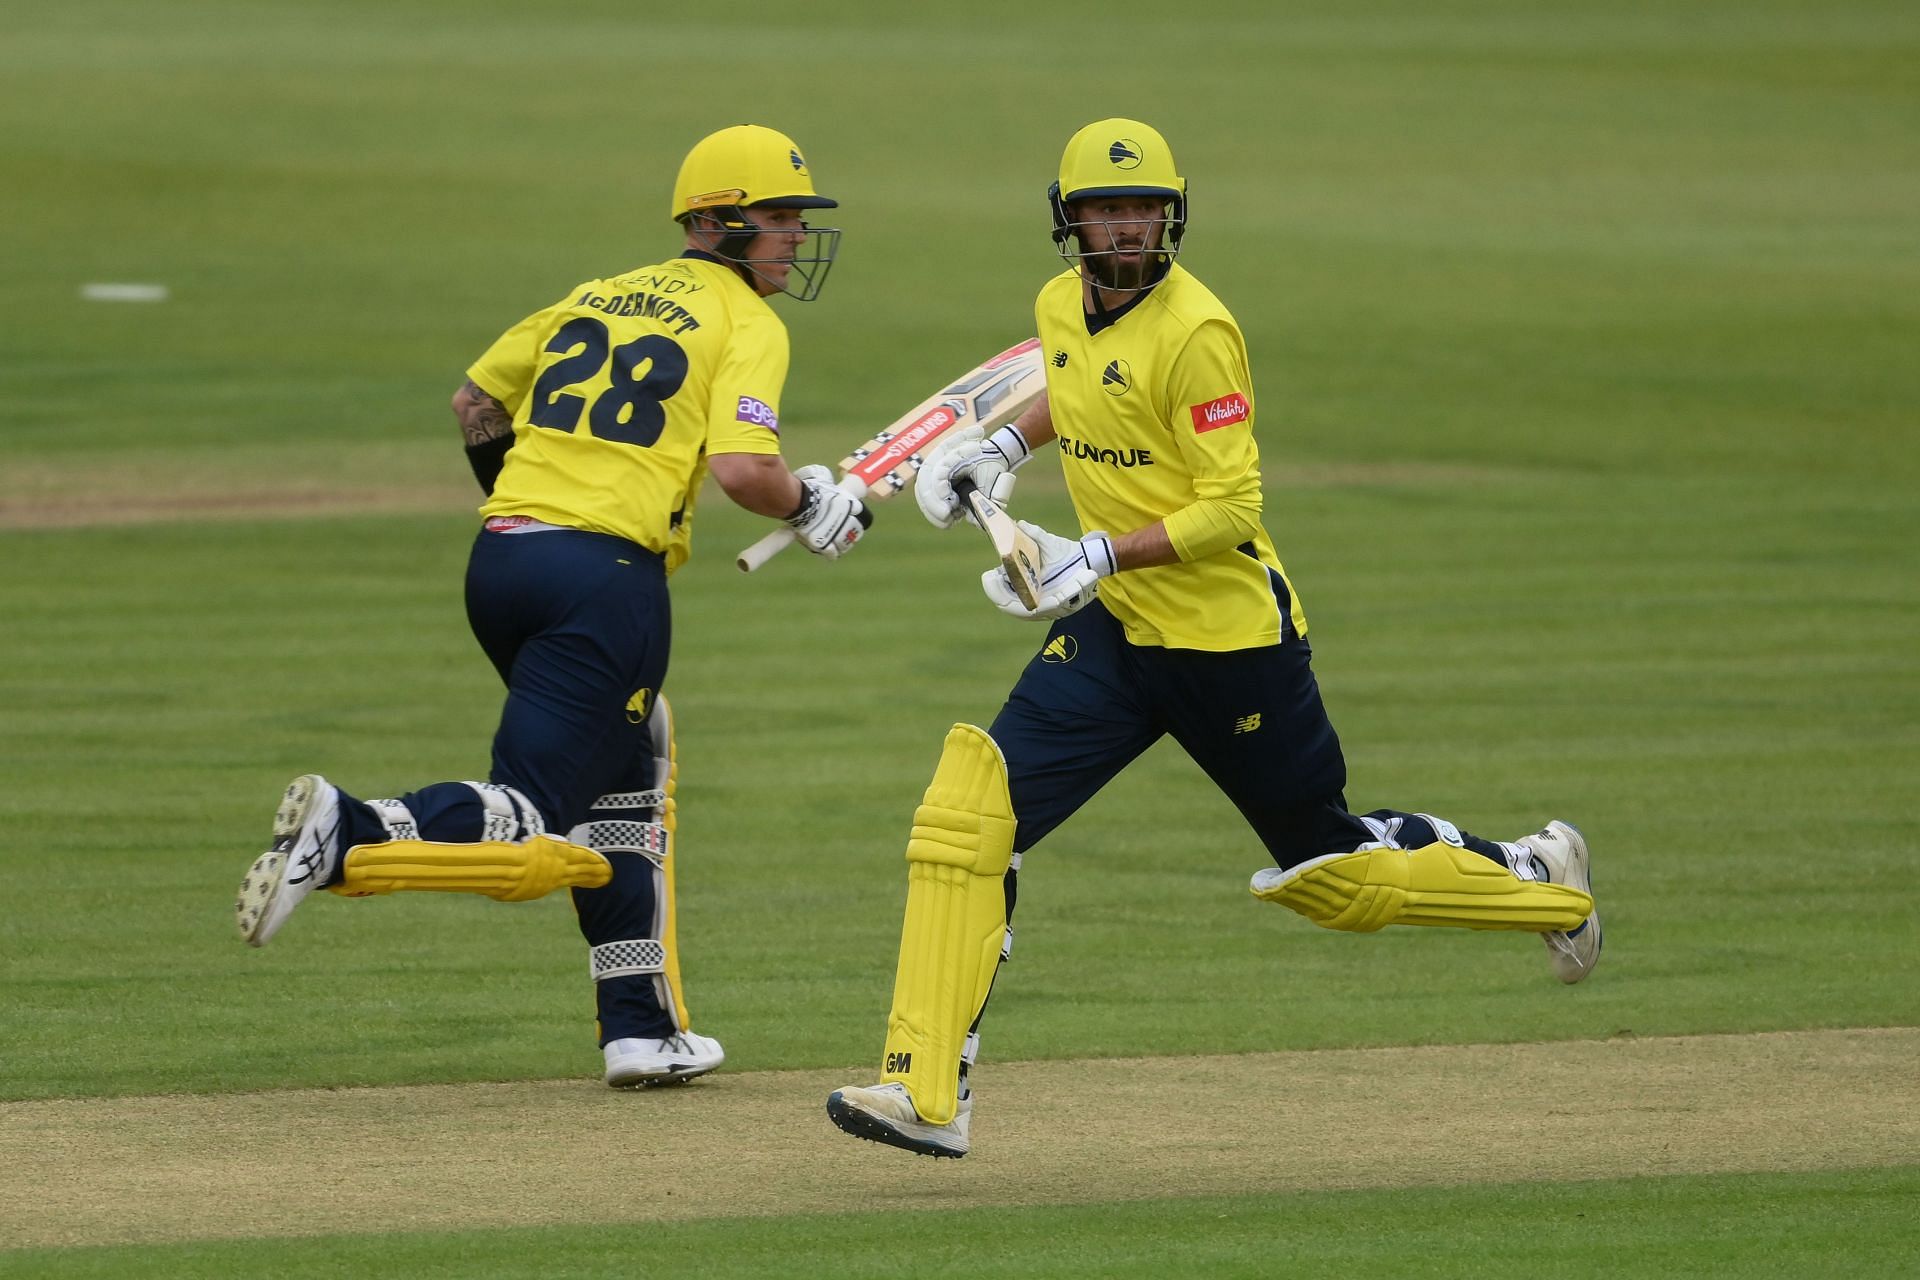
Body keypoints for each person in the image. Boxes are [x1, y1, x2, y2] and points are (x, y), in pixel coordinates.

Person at [824, 118, 1600, 1158]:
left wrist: (1093, 555)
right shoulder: (1060, 303)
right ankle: (925, 1091)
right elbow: (1078, 376)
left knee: (1333, 876)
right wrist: (1000, 442)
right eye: (1106, 210)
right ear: (1071, 221)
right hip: (1120, 641)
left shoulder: (1201, 331)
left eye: (1144, 207)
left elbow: (1232, 509)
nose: (1128, 228)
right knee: (966, 812)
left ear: (1171, 213)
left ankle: (1539, 880)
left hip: (1232, 645)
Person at [233, 124, 872, 1089]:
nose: (793, 236)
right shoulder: (748, 322)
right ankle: (352, 827)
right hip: (606, 581)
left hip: (501, 562)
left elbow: (475, 404)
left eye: (796, 218)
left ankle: (640, 1026)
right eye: (777, 217)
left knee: (633, 757)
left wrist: (525, 502)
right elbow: (745, 470)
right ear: (713, 222)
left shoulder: (599, 291)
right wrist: (814, 504)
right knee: (531, 812)